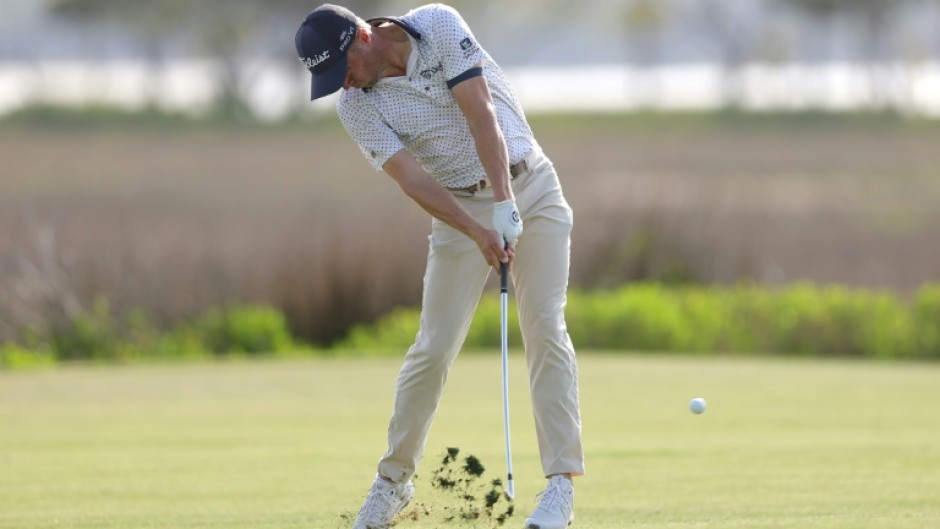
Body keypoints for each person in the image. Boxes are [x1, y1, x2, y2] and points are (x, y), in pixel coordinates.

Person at [295, 4, 584, 528]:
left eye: (345, 70)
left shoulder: (439, 25)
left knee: (544, 325)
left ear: (362, 37)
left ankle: (560, 489)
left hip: (530, 187)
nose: (346, 84)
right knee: (432, 349)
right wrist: (478, 230)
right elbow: (412, 181)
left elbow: (481, 113)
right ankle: (392, 483)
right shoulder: (355, 107)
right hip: (456, 211)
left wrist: (503, 203)